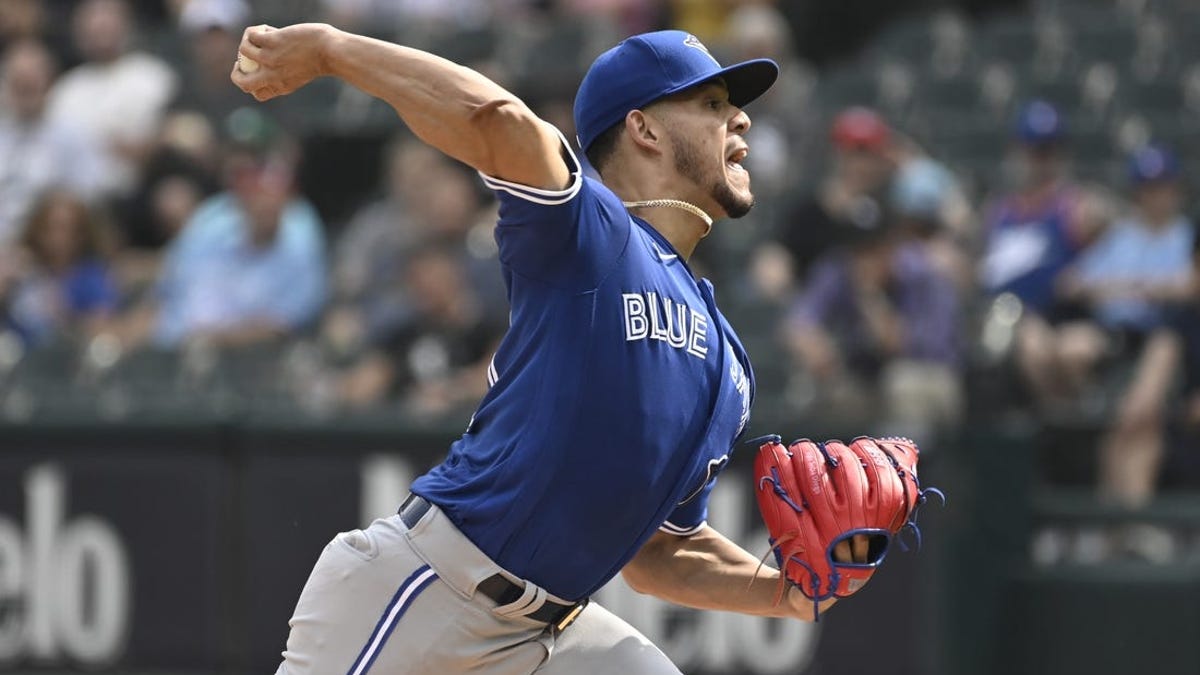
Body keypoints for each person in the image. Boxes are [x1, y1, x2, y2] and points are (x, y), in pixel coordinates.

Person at [232, 23, 870, 674]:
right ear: (643, 129)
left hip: (549, 633)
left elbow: (658, 554)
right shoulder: (590, 233)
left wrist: (789, 592)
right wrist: (333, 51)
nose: (740, 118)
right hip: (428, 591)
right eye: (710, 104)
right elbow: (498, 120)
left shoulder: (728, 362)